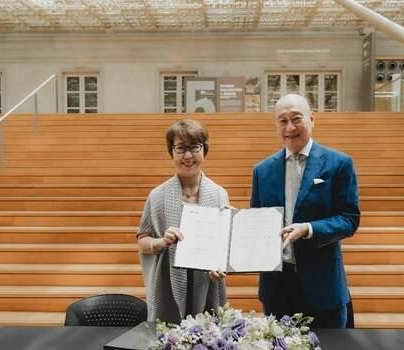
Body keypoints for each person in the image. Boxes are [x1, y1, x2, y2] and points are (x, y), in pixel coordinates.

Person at [250, 94, 360, 328]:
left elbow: (349, 219)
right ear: (276, 125)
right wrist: (235, 223)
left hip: (323, 286)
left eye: (296, 118)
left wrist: (308, 229)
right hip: (277, 288)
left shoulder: (339, 163)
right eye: (282, 121)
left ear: (311, 119)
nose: (289, 127)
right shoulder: (262, 170)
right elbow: (257, 222)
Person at [137, 119, 228, 323]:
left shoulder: (219, 194)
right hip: (168, 281)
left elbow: (222, 247)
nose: (188, 155)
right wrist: (161, 242)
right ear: (172, 152)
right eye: (180, 148)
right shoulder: (157, 195)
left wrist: (220, 265)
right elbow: (142, 241)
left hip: (207, 282)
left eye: (194, 147)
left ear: (204, 150)